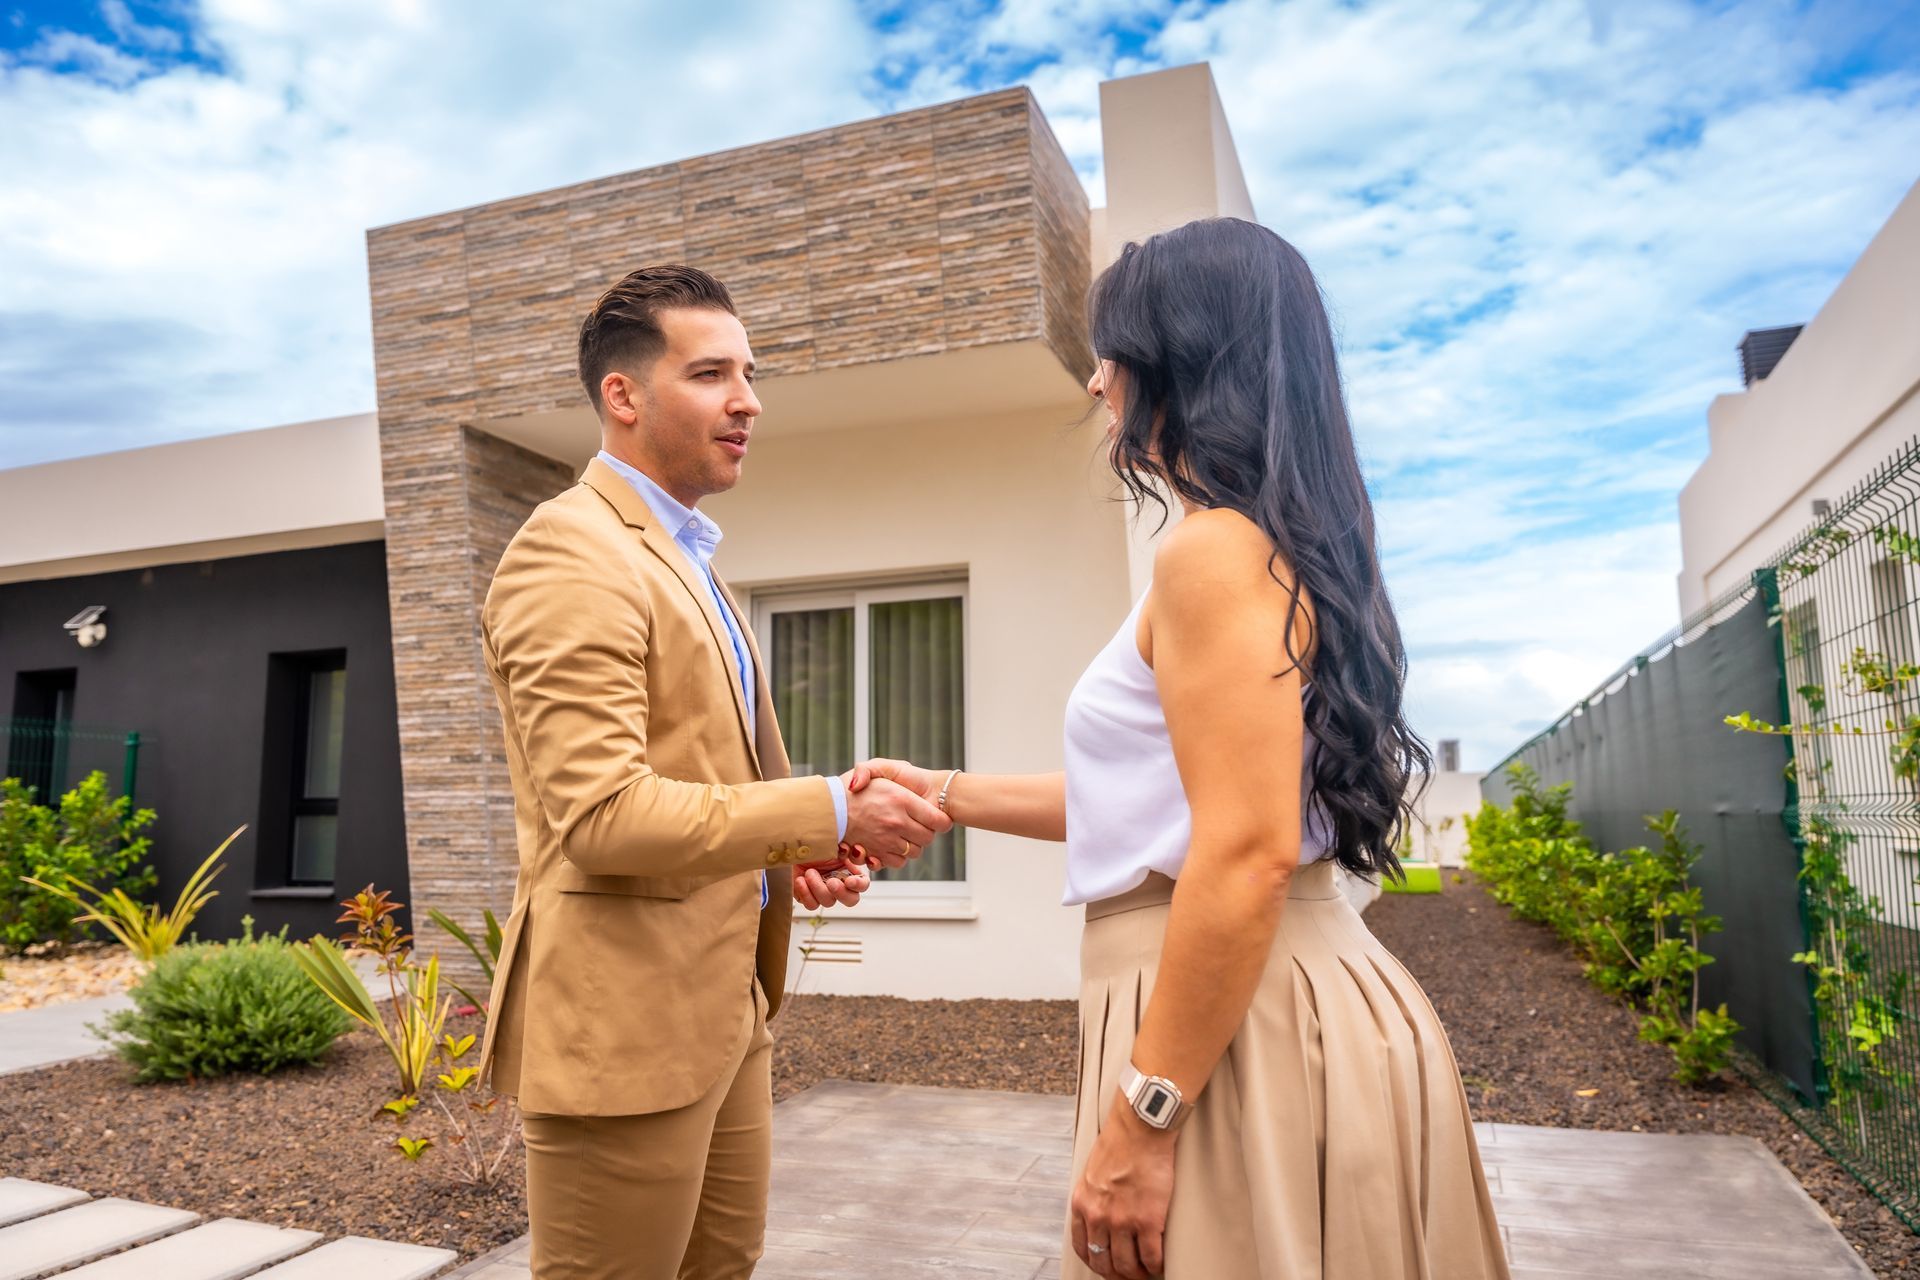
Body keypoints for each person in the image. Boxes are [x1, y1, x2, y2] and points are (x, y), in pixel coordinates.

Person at [818, 218, 1511, 1280]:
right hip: (1271, 998)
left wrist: (1146, 1113)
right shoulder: (1274, 545)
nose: (1097, 383)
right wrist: (947, 792)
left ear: (1183, 361)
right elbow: (1165, 802)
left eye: (1114, 352)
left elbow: (1241, 849)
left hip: (1240, 1028)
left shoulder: (1211, 555)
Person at [476, 264, 950, 1280]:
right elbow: (602, 814)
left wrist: (796, 851)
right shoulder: (569, 549)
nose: (749, 399)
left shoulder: (692, 559)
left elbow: (703, 780)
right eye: (711, 373)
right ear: (624, 395)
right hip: (625, 1035)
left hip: (727, 1012)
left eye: (750, 371)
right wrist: (829, 805)